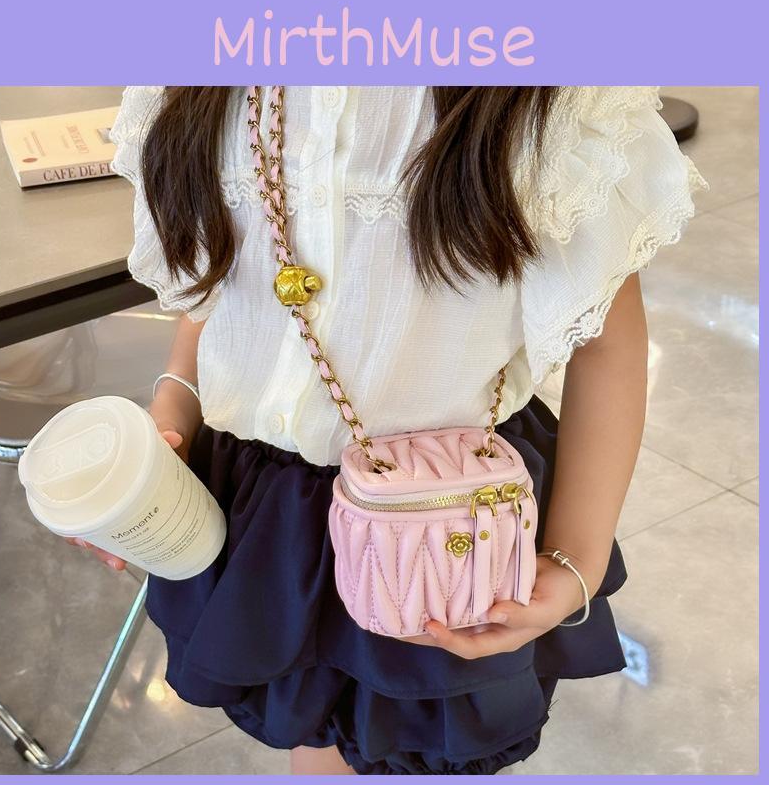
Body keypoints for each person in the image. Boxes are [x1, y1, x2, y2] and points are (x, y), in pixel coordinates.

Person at [68, 85, 706, 775]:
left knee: (413, 745)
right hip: (268, 514)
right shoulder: (203, 79)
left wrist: (577, 557)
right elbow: (222, 285)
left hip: (445, 511)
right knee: (313, 733)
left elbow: (605, 341)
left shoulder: (553, 98)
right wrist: (174, 408)